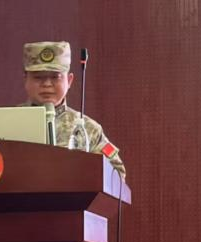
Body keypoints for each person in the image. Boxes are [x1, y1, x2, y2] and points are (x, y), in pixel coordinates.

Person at [20, 41, 126, 179]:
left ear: (69, 80)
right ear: (25, 80)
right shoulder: (7, 121)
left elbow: (116, 173)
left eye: (55, 77)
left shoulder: (89, 129)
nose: (47, 84)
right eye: (38, 77)